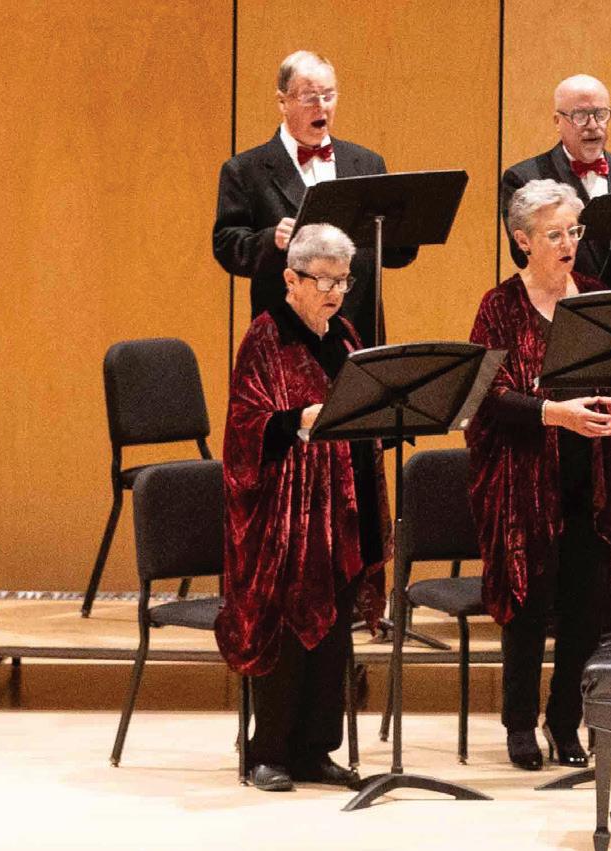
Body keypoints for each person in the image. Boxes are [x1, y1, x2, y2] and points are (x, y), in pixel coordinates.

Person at [466, 180, 611, 771]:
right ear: (523, 240)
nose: (568, 244)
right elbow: (488, 395)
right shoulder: (499, 306)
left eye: (574, 232)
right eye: (554, 234)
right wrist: (554, 414)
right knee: (528, 602)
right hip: (523, 480)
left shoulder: (596, 296)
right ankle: (519, 724)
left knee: (587, 607)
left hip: (591, 475)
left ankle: (566, 722)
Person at [219, 223, 379, 792]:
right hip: (284, 517)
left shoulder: (346, 337)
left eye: (344, 280)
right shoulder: (265, 338)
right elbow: (244, 428)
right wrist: (297, 421)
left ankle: (316, 750)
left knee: (334, 635)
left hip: (342, 510)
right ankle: (268, 751)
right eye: (324, 280)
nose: (336, 292)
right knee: (286, 633)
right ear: (291, 279)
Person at [213, 50, 416, 343]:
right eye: (309, 97)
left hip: (358, 331)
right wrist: (271, 240)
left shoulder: (367, 163)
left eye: (329, 95)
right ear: (282, 101)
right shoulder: (245, 170)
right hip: (285, 335)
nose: (321, 106)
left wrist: (405, 224)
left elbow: (396, 255)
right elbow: (226, 246)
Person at [500, 74, 611, 288]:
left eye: (601, 114)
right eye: (580, 115)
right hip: (564, 303)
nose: (593, 125)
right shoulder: (523, 178)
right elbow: (521, 256)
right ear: (558, 121)